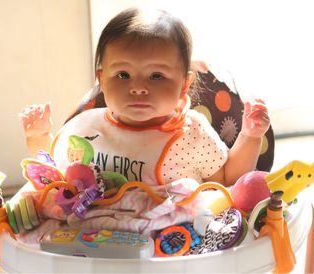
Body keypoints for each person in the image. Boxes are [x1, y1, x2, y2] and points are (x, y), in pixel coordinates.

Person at [19, 7, 270, 233]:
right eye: (124, 74)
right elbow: (52, 174)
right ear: (102, 79)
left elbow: (227, 180)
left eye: (157, 76)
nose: (138, 87)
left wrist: (250, 136)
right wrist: (38, 136)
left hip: (171, 247)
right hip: (92, 244)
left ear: (184, 84)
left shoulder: (191, 134)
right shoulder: (88, 128)